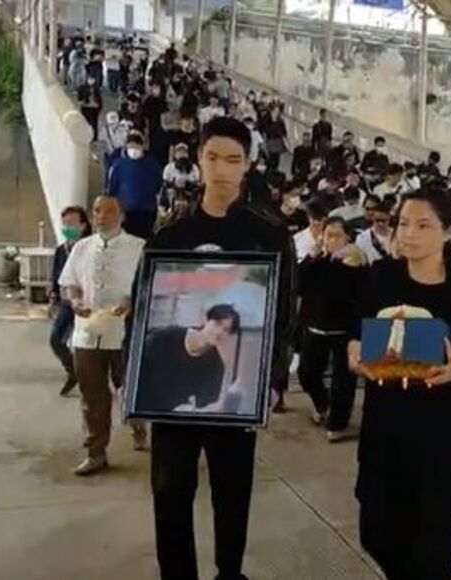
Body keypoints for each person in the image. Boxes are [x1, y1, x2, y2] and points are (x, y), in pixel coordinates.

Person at [139, 117, 294, 580]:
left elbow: (283, 314)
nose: (222, 169)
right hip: (168, 402)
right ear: (197, 160)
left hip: (235, 408)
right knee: (170, 491)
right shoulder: (171, 234)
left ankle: (230, 571)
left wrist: (274, 379)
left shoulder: (269, 235)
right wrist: (132, 380)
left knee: (232, 490)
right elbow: (144, 304)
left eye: (233, 159)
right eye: (212, 157)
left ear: (248, 164)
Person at [348, 188, 451, 579]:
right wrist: (355, 355)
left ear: (448, 232)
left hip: (444, 434)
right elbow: (356, 334)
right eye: (403, 223)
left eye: (423, 225)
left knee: (432, 551)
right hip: (386, 430)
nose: (409, 234)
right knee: (378, 534)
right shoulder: (381, 277)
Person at [59, 196, 148, 476]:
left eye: (109, 212)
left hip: (123, 331)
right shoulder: (82, 248)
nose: (101, 216)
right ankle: (96, 451)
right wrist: (75, 302)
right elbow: (69, 284)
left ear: (121, 216)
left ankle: (138, 426)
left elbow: (148, 286)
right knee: (92, 395)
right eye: (97, 211)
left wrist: (130, 302)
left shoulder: (139, 248)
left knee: (129, 388)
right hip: (87, 332)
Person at [297, 217, 368, 441]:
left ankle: (338, 422)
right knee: (307, 372)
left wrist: (350, 261)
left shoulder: (356, 262)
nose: (331, 240)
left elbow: (356, 291)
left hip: (343, 329)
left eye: (337, 235)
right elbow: (299, 282)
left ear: (348, 237)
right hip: (315, 326)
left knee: (343, 381)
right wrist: (313, 255)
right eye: (328, 235)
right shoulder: (318, 261)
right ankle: (322, 403)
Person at [136, 304, 244, 414]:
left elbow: (204, 405)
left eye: (226, 330)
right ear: (205, 320)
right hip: (137, 401)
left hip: (163, 418)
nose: (219, 332)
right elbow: (136, 356)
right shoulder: (169, 335)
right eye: (217, 324)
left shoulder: (215, 366)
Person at [49, 206, 91, 397]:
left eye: (72, 224)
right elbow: (55, 277)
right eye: (65, 224)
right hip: (66, 304)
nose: (68, 228)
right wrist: (53, 298)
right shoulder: (61, 250)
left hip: (85, 304)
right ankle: (72, 370)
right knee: (55, 340)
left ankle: (91, 379)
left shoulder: (90, 249)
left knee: (86, 345)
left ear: (83, 225)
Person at [108, 133, 163, 239]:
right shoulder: (118, 165)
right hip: (125, 211)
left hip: (147, 211)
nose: (133, 150)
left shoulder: (153, 165)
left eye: (136, 147)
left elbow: (159, 187)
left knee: (143, 240)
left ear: (142, 147)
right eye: (130, 147)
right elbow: (112, 189)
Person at [355, 198, 394, 264]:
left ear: (389, 220)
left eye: (383, 220)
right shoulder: (362, 238)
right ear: (373, 219)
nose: (380, 224)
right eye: (377, 220)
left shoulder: (396, 235)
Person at [261, 106, 288, 172]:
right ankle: (268, 173)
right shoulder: (266, 120)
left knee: (276, 159)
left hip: (277, 142)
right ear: (271, 112)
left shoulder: (280, 122)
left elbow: (284, 133)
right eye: (275, 111)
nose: (276, 113)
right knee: (269, 158)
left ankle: (274, 173)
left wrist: (285, 141)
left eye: (277, 111)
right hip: (270, 141)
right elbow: (263, 130)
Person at [77, 74, 103, 140]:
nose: (91, 81)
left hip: (95, 109)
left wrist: (98, 106)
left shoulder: (97, 88)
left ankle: (94, 138)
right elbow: (79, 100)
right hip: (86, 109)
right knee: (86, 123)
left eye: (93, 79)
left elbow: (100, 99)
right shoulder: (82, 88)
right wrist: (85, 102)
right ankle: (86, 136)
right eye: (90, 79)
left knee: (94, 124)